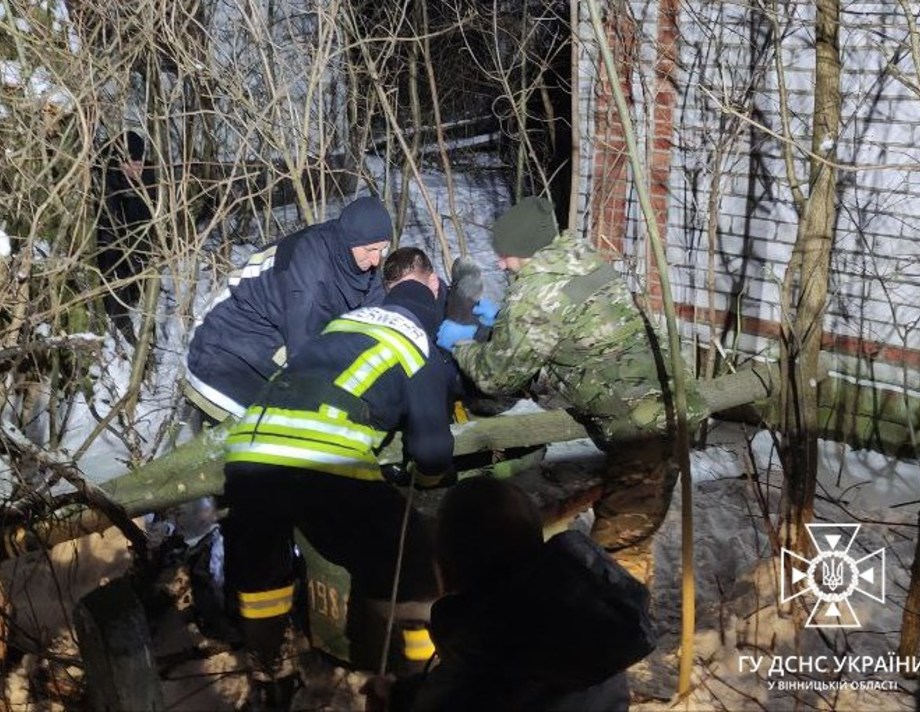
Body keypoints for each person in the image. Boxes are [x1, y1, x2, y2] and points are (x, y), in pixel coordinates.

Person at [436, 196, 707, 582]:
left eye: (507, 256)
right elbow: (569, 328)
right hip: (664, 402)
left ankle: (617, 633)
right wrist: (506, 324)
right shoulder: (580, 257)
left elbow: (498, 377)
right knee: (632, 542)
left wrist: (462, 343)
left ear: (529, 251)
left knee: (615, 555)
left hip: (642, 427)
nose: (501, 264)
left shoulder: (536, 293)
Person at [221, 270, 457, 709]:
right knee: (413, 561)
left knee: (261, 570)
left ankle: (272, 679)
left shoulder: (340, 325)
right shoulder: (416, 343)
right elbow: (432, 449)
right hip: (325, 458)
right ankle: (422, 684)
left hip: (248, 453)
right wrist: (429, 483)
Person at [364, 475, 655, 711]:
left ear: (449, 570)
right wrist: (400, 695)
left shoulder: (484, 659)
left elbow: (474, 689)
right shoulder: (588, 624)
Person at [184, 196, 392, 423]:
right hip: (226, 355)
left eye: (382, 250)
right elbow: (306, 353)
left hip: (268, 347)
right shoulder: (310, 273)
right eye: (370, 250)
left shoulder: (353, 258)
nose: (375, 260)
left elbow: (379, 315)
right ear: (349, 240)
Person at [95, 130, 157, 346]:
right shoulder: (107, 180)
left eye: (138, 161)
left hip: (141, 247)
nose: (135, 168)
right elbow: (107, 223)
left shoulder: (149, 177)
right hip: (114, 247)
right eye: (129, 162)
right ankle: (125, 334)